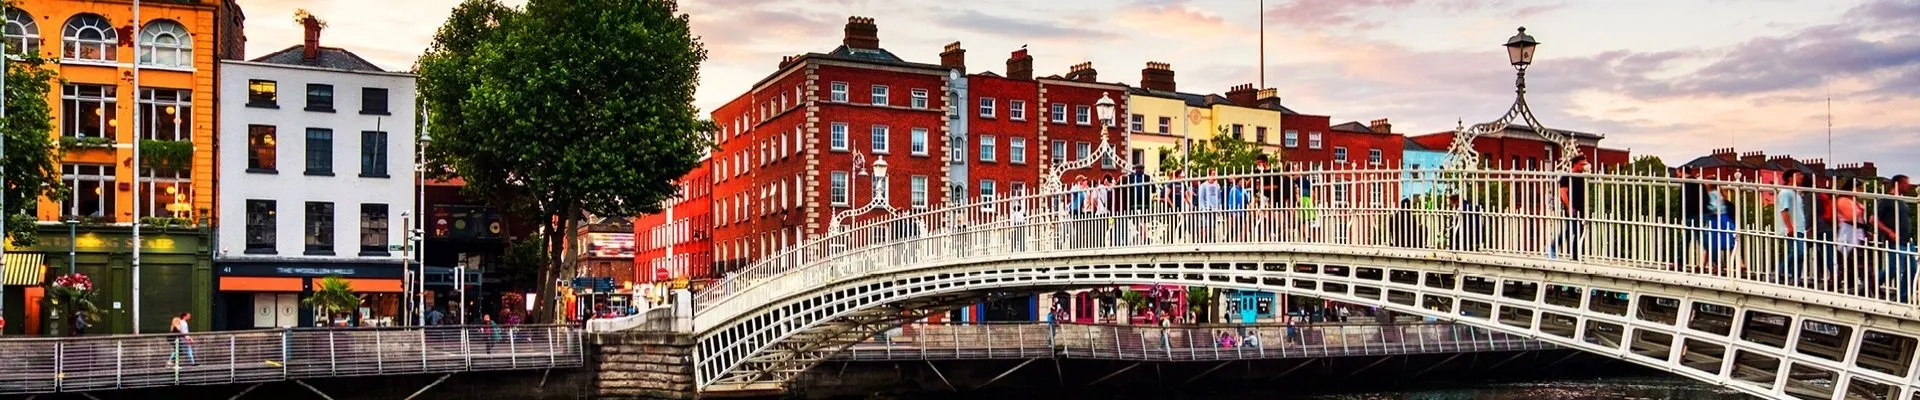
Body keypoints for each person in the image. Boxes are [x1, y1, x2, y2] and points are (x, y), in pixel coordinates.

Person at [1552, 156, 1590, 261]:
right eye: (1582, 164)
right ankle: (1554, 247)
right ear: (1575, 164)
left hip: (1581, 208)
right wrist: (1569, 207)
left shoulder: (1583, 177)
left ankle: (1575, 255)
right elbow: (1563, 193)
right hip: (1572, 208)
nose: (1584, 166)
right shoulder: (1567, 176)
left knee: (1579, 231)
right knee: (1571, 230)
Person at [1777, 170, 1810, 284]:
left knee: (1800, 255)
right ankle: (1780, 271)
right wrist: (1790, 227)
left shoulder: (1796, 193)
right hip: (1792, 228)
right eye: (1799, 174)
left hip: (1799, 228)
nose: (1802, 176)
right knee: (1798, 253)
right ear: (1791, 177)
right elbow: (1784, 211)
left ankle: (1795, 278)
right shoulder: (1786, 192)